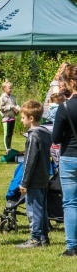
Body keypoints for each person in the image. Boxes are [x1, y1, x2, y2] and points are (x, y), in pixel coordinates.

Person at [16, 100, 52, 249]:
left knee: (33, 209)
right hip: (44, 176)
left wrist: (24, 182)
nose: (21, 120)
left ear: (31, 118)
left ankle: (35, 238)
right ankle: (44, 237)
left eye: (23, 117)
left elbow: (29, 161)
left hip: (34, 179)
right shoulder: (45, 133)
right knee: (42, 208)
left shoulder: (33, 136)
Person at [52, 64, 77, 256]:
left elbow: (56, 138)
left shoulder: (64, 107)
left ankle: (72, 246)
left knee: (70, 203)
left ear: (70, 83)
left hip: (69, 156)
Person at [0, 81, 20, 154]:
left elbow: (15, 105)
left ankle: (9, 147)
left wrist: (17, 110)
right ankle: (7, 148)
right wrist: (10, 107)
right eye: (9, 88)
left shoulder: (13, 97)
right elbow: (0, 108)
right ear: (4, 89)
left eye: (11, 88)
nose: (11, 89)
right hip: (6, 117)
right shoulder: (2, 98)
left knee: (10, 133)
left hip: (12, 117)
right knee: (6, 133)